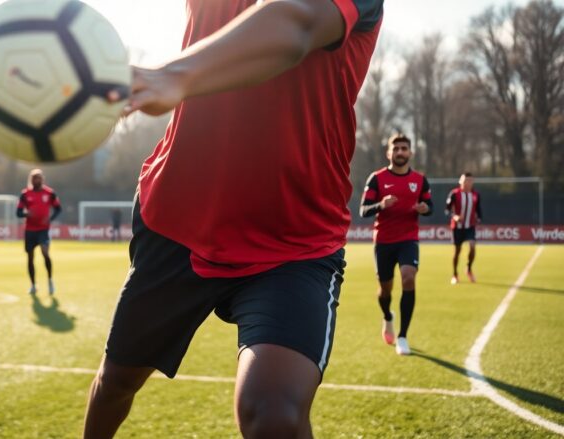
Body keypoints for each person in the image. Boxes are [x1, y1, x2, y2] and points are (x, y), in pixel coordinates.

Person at [85, 0, 384, 437]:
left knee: (274, 412)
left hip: (292, 239)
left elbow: (295, 22)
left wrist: (173, 75)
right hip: (180, 220)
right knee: (116, 382)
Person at [360, 134, 433, 356]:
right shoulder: (376, 178)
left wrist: (425, 209)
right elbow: (363, 210)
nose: (400, 152)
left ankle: (402, 336)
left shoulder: (420, 180)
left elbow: (430, 206)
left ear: (410, 153)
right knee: (385, 290)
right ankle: (388, 316)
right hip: (383, 241)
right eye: (396, 148)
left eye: (404, 148)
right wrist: (381, 204)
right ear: (388, 153)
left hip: (408, 239)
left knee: (409, 277)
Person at [16, 169, 62, 296]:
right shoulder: (25, 194)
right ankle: (33, 285)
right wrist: (27, 213)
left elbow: (58, 208)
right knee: (30, 258)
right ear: (31, 180)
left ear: (43, 179)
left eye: (39, 178)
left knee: (45, 253)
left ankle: (50, 280)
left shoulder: (50, 193)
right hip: (30, 230)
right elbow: (18, 212)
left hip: (43, 229)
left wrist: (50, 218)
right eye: (35, 178)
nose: (37, 180)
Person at [445, 172, 482, 284]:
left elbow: (478, 209)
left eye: (470, 181)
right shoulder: (454, 194)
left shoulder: (476, 195)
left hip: (470, 227)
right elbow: (447, 210)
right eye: (466, 180)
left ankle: (469, 269)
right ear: (460, 181)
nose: (468, 183)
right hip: (457, 227)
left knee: (472, 246)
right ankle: (455, 274)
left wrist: (479, 218)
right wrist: (455, 216)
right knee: (457, 251)